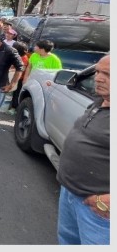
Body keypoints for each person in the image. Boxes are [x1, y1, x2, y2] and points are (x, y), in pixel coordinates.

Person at [56, 55, 109, 245]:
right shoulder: (100, 102)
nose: (99, 78)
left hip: (98, 208)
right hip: (71, 192)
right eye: (98, 72)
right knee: (67, 241)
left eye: (108, 74)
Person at [9, 41, 29, 113]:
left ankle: (15, 107)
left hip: (19, 79)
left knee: (16, 94)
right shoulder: (19, 56)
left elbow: (21, 69)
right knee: (13, 93)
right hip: (14, 77)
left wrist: (11, 68)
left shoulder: (24, 58)